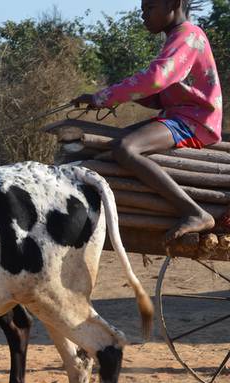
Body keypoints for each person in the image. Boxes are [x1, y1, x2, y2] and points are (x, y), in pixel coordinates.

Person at [72, 0, 223, 242]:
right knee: (112, 145)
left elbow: (156, 79)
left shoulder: (189, 36)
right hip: (178, 117)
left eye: (150, 8)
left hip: (195, 121)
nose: (144, 16)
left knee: (126, 148)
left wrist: (105, 96)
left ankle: (194, 212)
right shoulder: (177, 37)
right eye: (143, 9)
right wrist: (111, 97)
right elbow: (161, 90)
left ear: (173, 4)